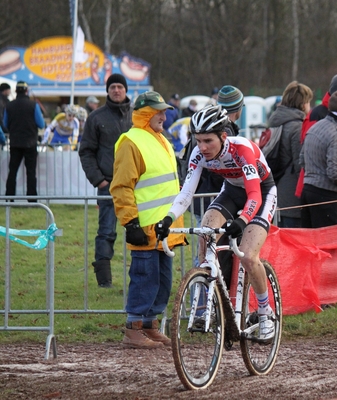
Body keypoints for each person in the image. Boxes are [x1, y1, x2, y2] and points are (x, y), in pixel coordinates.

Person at [154, 104, 277, 342]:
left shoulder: (241, 149)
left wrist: (242, 221)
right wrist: (167, 219)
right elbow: (186, 193)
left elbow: (254, 195)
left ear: (223, 136)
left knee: (249, 256)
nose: (202, 147)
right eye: (197, 140)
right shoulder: (198, 153)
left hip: (261, 192)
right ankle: (209, 304)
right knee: (206, 233)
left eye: (208, 140)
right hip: (231, 191)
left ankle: (265, 314)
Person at [110, 91, 186, 349]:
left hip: (164, 229)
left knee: (162, 281)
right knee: (145, 279)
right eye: (159, 112)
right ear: (145, 114)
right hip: (143, 229)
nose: (164, 116)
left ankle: (150, 324)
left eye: (164, 111)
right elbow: (122, 187)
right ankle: (133, 328)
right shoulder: (132, 142)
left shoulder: (160, 139)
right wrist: (130, 223)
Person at [79, 73, 132, 288]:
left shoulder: (137, 116)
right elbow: (86, 151)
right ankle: (104, 281)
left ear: (126, 90)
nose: (117, 90)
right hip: (108, 185)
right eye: (113, 87)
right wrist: (99, 181)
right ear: (107, 91)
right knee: (106, 232)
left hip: (135, 185)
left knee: (139, 230)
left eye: (120, 86)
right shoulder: (96, 117)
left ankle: (138, 279)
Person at [299, 89, 337, 228]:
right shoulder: (336, 134)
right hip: (325, 197)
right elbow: (335, 172)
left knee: (308, 245)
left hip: (307, 191)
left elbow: (302, 160)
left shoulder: (314, 128)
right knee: (327, 246)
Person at [267, 81, 313, 228]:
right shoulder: (297, 126)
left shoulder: (275, 121)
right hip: (292, 193)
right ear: (303, 103)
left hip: (276, 187)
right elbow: (300, 163)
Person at [4, 81, 45, 201]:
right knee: (31, 172)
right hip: (30, 143)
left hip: (15, 142)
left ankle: (9, 198)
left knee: (12, 171)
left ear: (16, 91)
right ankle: (32, 199)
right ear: (27, 91)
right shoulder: (33, 105)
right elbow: (41, 124)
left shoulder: (9, 105)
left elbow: (5, 124)